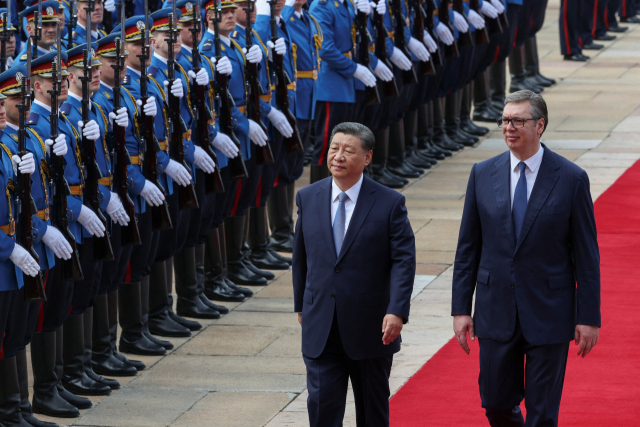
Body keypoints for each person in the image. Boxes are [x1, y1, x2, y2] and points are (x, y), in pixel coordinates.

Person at [452, 90, 601, 426]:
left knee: (542, 414)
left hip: (549, 311)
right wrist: (461, 308)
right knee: (495, 404)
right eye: (505, 120)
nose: (509, 127)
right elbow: (467, 249)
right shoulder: (482, 174)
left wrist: (588, 315)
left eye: (518, 120)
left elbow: (587, 257)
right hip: (494, 310)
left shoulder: (571, 179)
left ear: (540, 125)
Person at [292, 122, 415, 427]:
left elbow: (404, 260)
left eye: (348, 150)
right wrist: (301, 305)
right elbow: (301, 256)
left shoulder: (389, 203)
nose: (338, 156)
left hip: (370, 327)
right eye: (334, 148)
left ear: (367, 157)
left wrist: (397, 310)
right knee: (321, 408)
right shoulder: (308, 197)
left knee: (372, 412)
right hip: (321, 324)